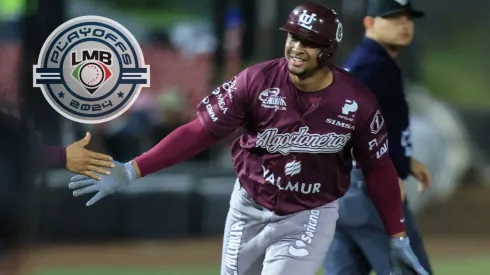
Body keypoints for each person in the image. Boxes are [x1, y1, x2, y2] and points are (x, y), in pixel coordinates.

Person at [68, 3, 428, 275]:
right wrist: (132, 170)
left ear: (328, 51)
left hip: (309, 214)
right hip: (248, 207)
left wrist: (396, 235)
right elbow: (199, 132)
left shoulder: (357, 101)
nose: (297, 47)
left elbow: (378, 167)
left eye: (310, 42)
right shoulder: (255, 81)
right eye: (293, 37)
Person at [324, 0, 433, 274]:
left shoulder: (372, 63)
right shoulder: (371, 66)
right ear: (369, 23)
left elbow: (375, 126)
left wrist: (406, 161)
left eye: (408, 18)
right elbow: (342, 125)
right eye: (394, 18)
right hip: (369, 192)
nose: (404, 25)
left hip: (343, 192)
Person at [0, 109, 113, 275]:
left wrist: (63, 156)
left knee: (12, 257)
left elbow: (31, 150)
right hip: (14, 204)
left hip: (13, 205)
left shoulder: (11, 129)